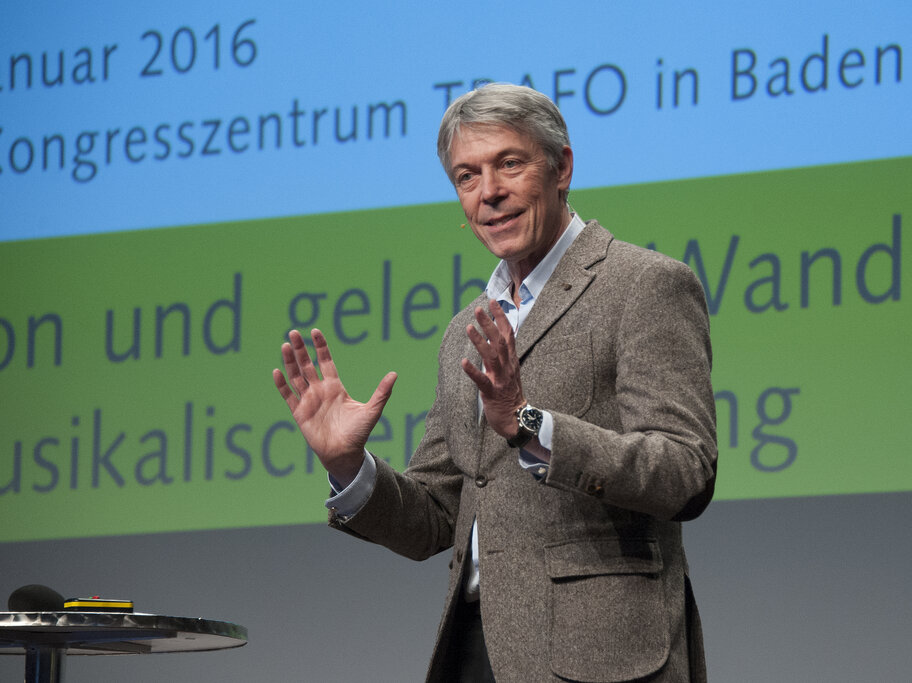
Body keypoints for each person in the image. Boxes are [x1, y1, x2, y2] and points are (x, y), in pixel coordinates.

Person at [273, 83, 717, 682]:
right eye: (467, 176)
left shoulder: (643, 285)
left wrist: (531, 425)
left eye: (509, 164)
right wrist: (349, 466)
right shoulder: (466, 330)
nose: (489, 192)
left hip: (603, 658)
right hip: (475, 649)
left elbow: (685, 471)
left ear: (561, 167)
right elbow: (436, 516)